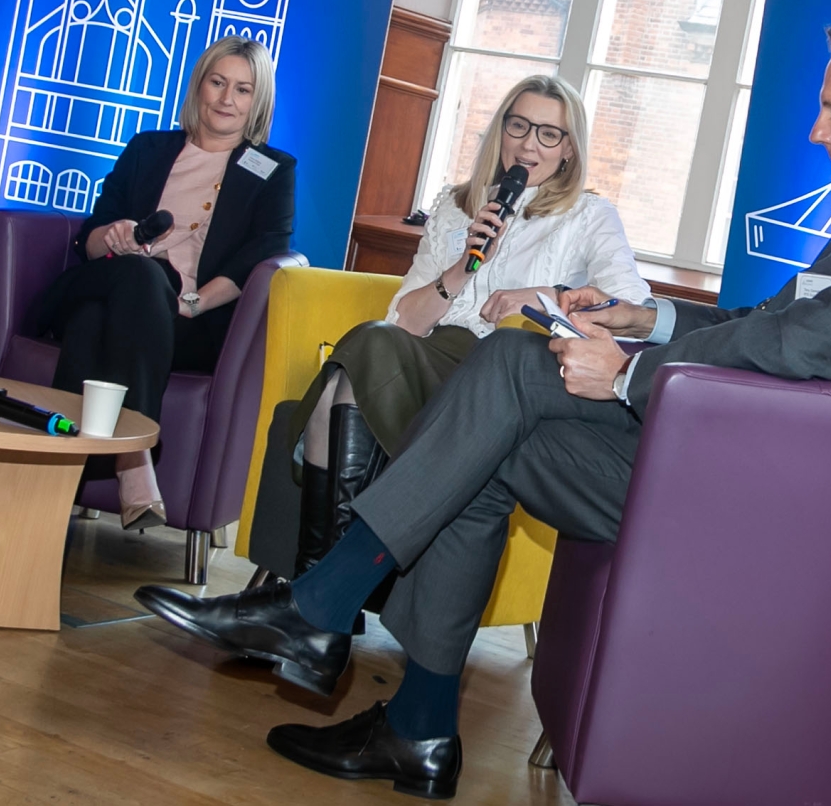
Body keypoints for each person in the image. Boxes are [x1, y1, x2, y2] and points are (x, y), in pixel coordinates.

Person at [135, 7, 831, 798]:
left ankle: (325, 614)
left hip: (770, 510)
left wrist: (625, 372)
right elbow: (766, 323)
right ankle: (415, 724)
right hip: (736, 462)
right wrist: (643, 318)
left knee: (502, 386)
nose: (818, 131)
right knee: (494, 412)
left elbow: (792, 350)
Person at [256, 74, 668, 583]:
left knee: (344, 380)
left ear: (569, 149)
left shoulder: (588, 216)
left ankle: (311, 588)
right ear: (500, 130)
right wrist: (463, 267)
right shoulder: (456, 206)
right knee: (365, 350)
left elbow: (633, 308)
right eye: (518, 126)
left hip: (505, 377)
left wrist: (548, 294)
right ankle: (322, 589)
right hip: (427, 356)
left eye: (548, 134)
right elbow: (404, 321)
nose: (528, 144)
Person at [36, 35, 295, 531]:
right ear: (198, 85)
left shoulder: (272, 170)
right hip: (111, 277)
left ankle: (56, 481)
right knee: (139, 272)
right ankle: (135, 458)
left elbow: (263, 255)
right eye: (217, 83)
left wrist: (194, 302)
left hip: (187, 318)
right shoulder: (148, 147)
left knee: (91, 324)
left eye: (243, 89)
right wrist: (112, 236)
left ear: (257, 100)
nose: (226, 99)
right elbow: (90, 237)